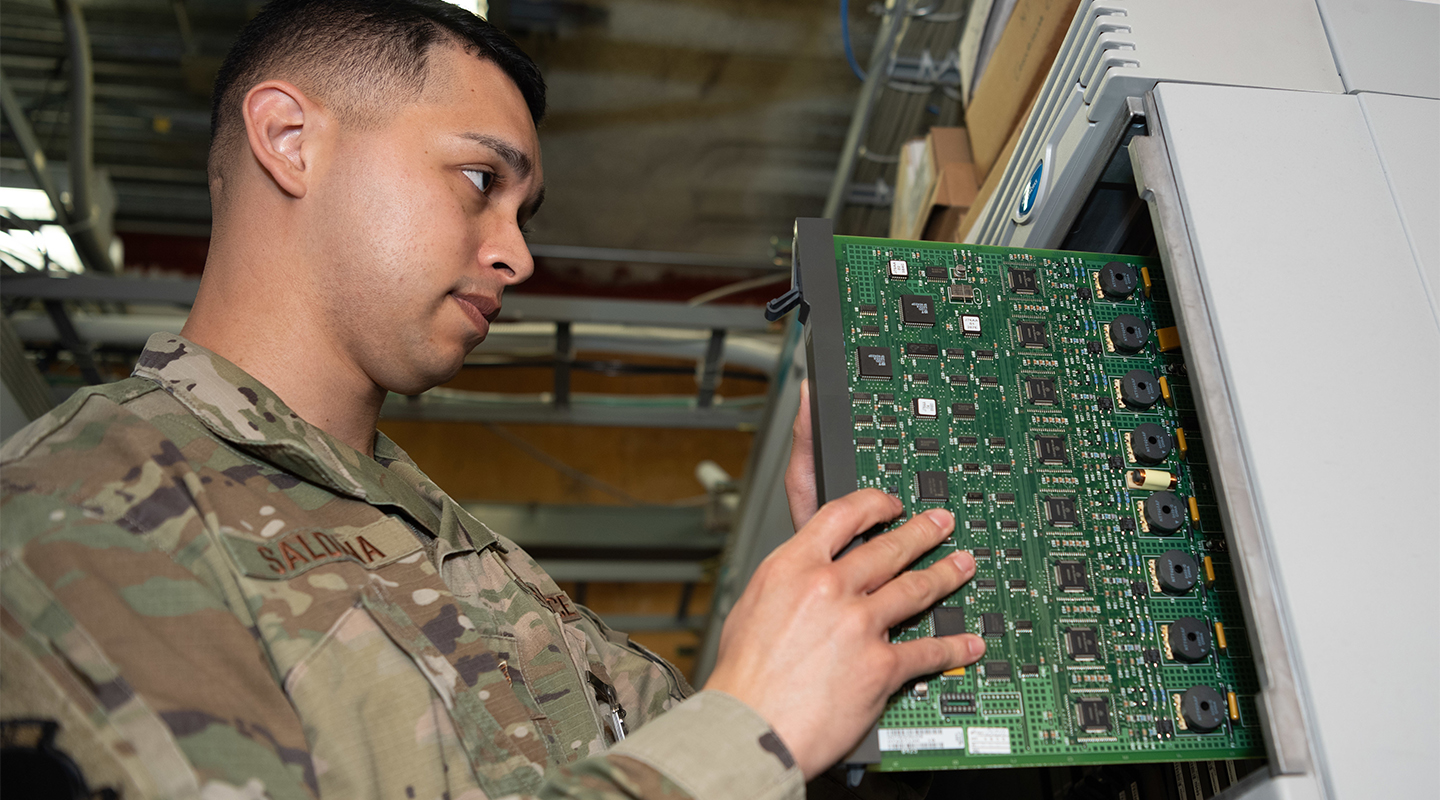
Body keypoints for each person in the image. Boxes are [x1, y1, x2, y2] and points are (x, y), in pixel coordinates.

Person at [0, 1, 984, 797]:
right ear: (291, 140)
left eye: (522, 209)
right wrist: (746, 732)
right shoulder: (71, 515)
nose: (516, 251)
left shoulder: (461, 554)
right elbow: (732, 743)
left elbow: (731, 743)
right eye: (479, 180)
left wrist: (835, 586)